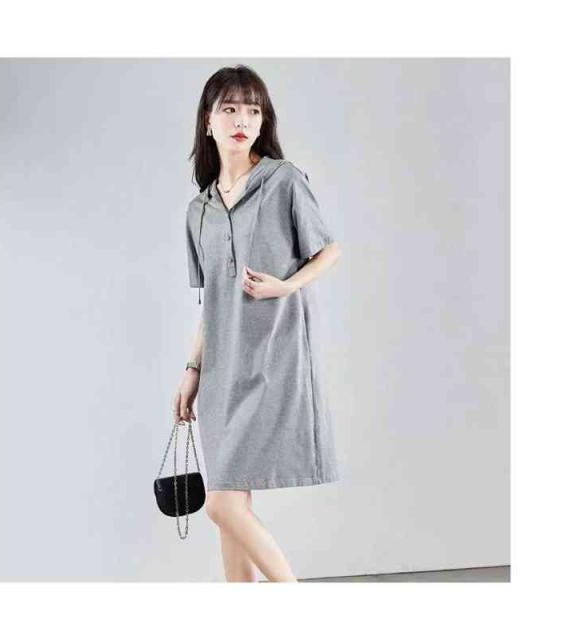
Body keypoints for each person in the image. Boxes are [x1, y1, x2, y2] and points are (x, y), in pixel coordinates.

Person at [173, 64, 342, 582]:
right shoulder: (199, 210)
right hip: (221, 374)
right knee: (232, 507)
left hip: (273, 360)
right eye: (229, 109)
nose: (242, 119)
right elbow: (211, 301)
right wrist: (193, 370)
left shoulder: (283, 180)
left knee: (221, 504)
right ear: (208, 121)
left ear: (263, 119)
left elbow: (329, 251)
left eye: (253, 109)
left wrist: (286, 286)